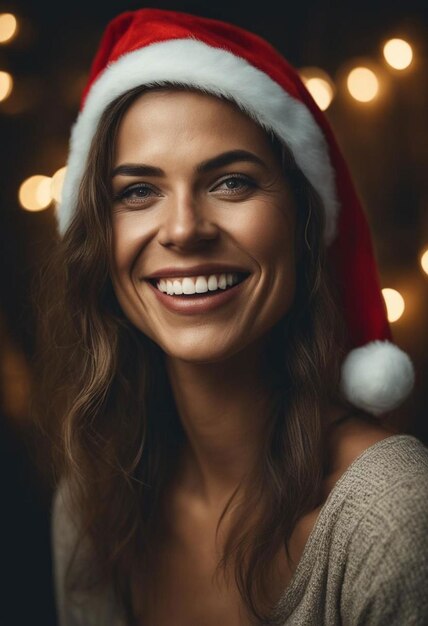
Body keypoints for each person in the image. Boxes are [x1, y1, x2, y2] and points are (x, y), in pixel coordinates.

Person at [36, 8, 428, 626]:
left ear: (301, 225)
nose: (185, 229)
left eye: (231, 183)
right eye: (138, 191)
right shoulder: (89, 506)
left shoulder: (391, 514)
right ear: (99, 241)